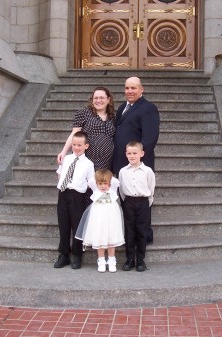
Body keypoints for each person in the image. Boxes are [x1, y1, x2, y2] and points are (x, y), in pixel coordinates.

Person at [112, 77, 160, 244]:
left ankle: (144, 235)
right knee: (126, 200)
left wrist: (137, 163)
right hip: (121, 162)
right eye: (126, 88)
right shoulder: (121, 108)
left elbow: (150, 138)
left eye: (133, 88)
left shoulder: (148, 108)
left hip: (138, 164)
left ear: (142, 89)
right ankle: (129, 234)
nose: (129, 91)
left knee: (141, 202)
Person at [54, 131, 95, 270]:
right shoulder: (66, 159)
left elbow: (90, 181)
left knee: (77, 225)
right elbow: (60, 174)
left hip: (78, 196)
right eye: (74, 145)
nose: (76, 147)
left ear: (86, 146)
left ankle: (77, 255)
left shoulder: (89, 164)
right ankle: (64, 255)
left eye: (79, 145)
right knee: (63, 224)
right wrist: (63, 187)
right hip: (64, 193)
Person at [75, 169, 125, 273]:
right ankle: (101, 260)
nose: (103, 186)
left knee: (111, 237)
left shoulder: (112, 188)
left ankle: (111, 260)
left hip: (111, 215)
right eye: (100, 184)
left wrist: (108, 177)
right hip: (98, 216)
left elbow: (116, 182)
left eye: (105, 183)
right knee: (99, 237)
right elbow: (91, 181)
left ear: (110, 183)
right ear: (97, 183)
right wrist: (99, 176)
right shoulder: (95, 188)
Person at [118, 141, 156, 272]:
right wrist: (127, 202)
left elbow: (151, 188)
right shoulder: (123, 171)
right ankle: (130, 259)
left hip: (143, 203)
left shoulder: (147, 171)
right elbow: (122, 190)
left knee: (141, 231)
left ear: (142, 153)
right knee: (129, 231)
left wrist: (147, 201)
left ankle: (140, 259)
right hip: (129, 202)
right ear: (126, 154)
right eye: (129, 153)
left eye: (135, 153)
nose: (132, 155)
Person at [58, 87, 115, 170]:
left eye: (102, 98)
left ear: (108, 99)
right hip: (86, 160)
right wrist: (64, 152)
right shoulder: (84, 113)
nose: (98, 100)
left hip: (107, 163)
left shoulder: (112, 117)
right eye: (95, 98)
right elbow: (74, 133)